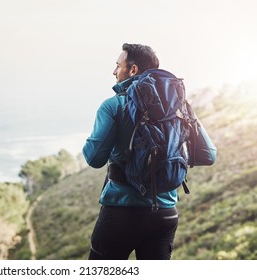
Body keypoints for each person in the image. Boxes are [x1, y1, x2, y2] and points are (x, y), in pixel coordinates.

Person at [82, 43, 215, 260]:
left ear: (132, 70)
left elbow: (94, 158)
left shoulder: (113, 105)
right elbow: (209, 155)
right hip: (165, 214)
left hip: (120, 213)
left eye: (118, 65)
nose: (114, 71)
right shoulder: (180, 106)